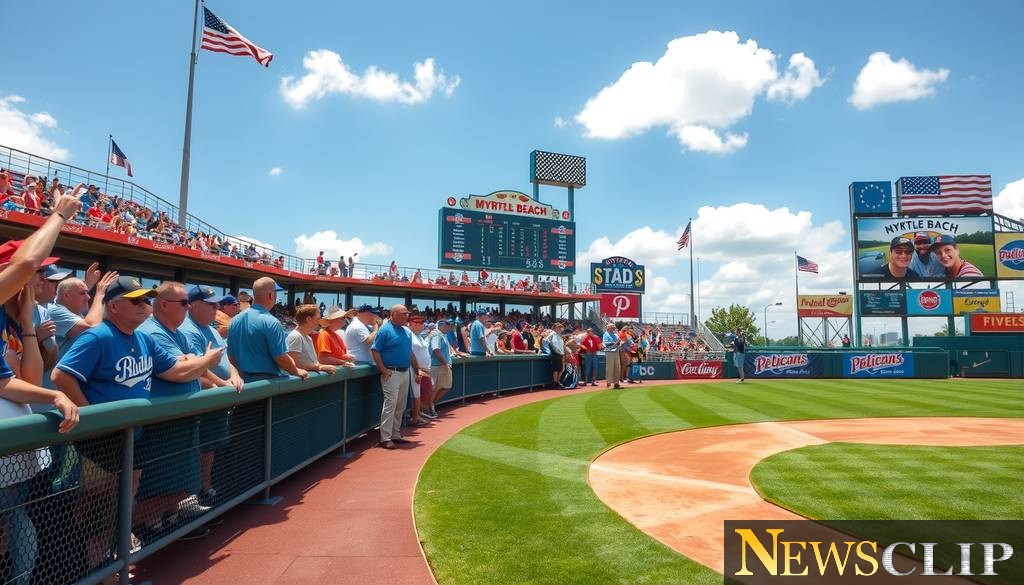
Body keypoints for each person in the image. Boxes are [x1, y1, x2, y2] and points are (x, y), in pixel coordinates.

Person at [52, 276, 224, 566]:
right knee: (96, 507)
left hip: (131, 434)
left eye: (146, 299)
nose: (145, 305)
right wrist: (93, 416)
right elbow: (61, 375)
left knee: (118, 505)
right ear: (114, 306)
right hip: (100, 440)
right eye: (137, 300)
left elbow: (177, 372)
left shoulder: (142, 338)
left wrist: (206, 360)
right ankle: (88, 568)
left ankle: (109, 563)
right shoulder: (98, 336)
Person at [0, 193, 84, 585]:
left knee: (16, 523)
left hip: (13, 457)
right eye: (38, 276)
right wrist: (60, 214)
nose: (42, 280)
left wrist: (28, 323)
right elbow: (28, 261)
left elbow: (28, 380)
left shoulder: (16, 320)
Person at [179, 285, 244, 510]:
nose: (216, 309)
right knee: (195, 449)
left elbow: (227, 362)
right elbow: (197, 369)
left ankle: (204, 489)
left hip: (217, 400)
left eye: (217, 304)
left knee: (210, 447)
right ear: (193, 305)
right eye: (210, 305)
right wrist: (223, 384)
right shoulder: (188, 329)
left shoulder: (213, 329)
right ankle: (191, 496)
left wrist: (234, 376)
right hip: (200, 400)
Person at [227, 277, 308, 381]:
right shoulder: (272, 322)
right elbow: (281, 357)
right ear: (271, 295)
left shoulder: (234, 320)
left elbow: (231, 357)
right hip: (267, 385)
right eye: (275, 292)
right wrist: (296, 370)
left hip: (242, 383)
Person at [370, 304, 420, 449]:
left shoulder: (406, 331)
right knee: (390, 405)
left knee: (400, 405)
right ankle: (385, 438)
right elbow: (375, 351)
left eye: (407, 314)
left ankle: (395, 434)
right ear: (394, 314)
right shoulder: (385, 330)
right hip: (391, 372)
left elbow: (409, 352)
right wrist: (383, 370)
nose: (407, 316)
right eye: (404, 314)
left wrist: (416, 370)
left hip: (405, 372)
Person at [286, 304, 337, 375]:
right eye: (318, 319)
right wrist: (320, 367)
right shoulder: (295, 336)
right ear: (308, 319)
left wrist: (321, 366)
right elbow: (293, 364)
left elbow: (312, 362)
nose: (319, 321)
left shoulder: (307, 337)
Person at [407, 314, 432, 427]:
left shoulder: (420, 336)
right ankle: (415, 417)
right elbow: (410, 354)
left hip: (425, 369)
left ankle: (417, 414)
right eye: (419, 323)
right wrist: (417, 369)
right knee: (416, 394)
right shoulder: (409, 335)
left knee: (426, 392)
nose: (422, 325)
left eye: (422, 323)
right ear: (413, 324)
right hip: (414, 369)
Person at [426, 319, 454, 419]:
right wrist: (445, 363)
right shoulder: (437, 335)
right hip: (436, 366)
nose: (448, 327)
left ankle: (431, 404)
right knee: (434, 388)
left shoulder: (443, 335)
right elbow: (436, 350)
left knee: (446, 386)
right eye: (446, 325)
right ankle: (429, 408)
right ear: (441, 326)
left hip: (442, 365)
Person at [602, 324, 622, 389]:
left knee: (617, 367)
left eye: (614, 327)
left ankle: (616, 383)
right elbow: (606, 343)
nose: (614, 328)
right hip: (609, 352)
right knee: (610, 367)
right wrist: (615, 343)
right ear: (608, 328)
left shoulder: (616, 334)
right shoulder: (606, 334)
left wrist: (618, 342)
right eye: (612, 327)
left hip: (616, 351)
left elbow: (619, 342)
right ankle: (609, 382)